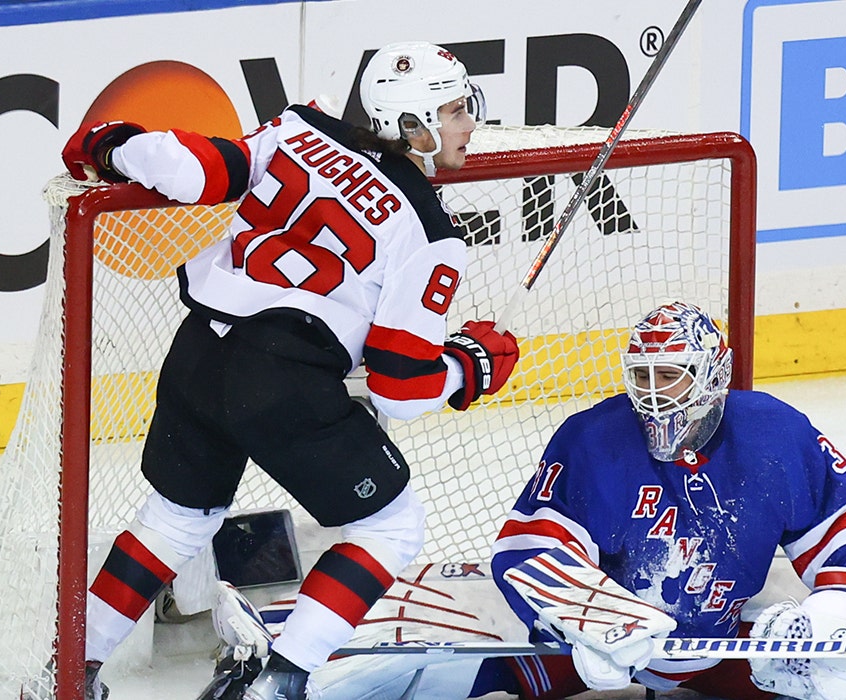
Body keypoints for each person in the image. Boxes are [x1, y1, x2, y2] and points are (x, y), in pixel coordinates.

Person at [196, 301, 846, 700]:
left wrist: (839, 605)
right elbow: (526, 548)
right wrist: (594, 613)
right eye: (641, 373)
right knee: (438, 643)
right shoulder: (596, 438)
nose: (653, 394)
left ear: (714, 372)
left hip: (722, 646)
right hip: (599, 648)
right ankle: (292, 670)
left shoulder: (772, 432)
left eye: (673, 374)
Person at [57, 41, 519, 700]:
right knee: (390, 527)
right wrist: (469, 367)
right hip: (281, 380)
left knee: (175, 519)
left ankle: (71, 671)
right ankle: (278, 683)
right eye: (451, 111)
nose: (468, 123)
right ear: (410, 126)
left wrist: (111, 147)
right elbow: (401, 385)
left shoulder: (302, 128)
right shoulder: (427, 230)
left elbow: (195, 169)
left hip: (198, 356)